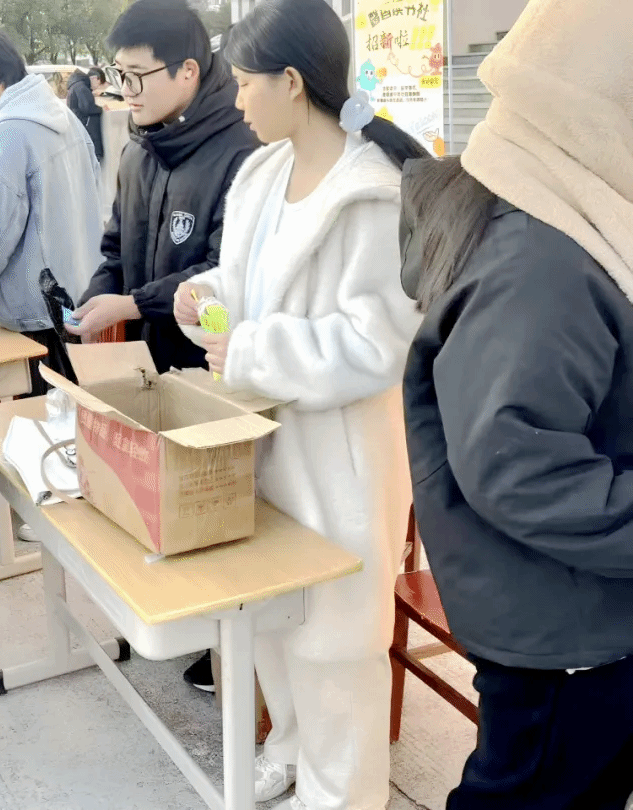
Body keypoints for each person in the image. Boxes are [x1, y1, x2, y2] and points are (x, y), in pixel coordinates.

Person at [172, 1, 425, 807]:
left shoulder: (373, 196)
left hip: (338, 461)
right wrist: (206, 297)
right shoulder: (261, 174)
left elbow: (376, 346)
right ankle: (289, 749)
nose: (237, 100)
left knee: (335, 651)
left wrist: (250, 348)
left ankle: (344, 793)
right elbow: (247, 286)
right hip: (264, 443)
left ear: (291, 81)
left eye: (246, 83)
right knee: (275, 630)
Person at [400, 0, 633, 806]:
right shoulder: (544, 257)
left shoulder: (564, 206)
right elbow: (517, 467)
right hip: (568, 630)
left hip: (568, 610)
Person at [67, 0, 259, 379]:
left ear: (188, 71)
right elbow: (116, 252)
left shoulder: (244, 150)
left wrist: (133, 305)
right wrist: (92, 302)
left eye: (137, 75)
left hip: (209, 372)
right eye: (119, 73)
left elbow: (227, 269)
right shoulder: (137, 150)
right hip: (141, 368)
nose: (126, 90)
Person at [0, 28, 103, 393]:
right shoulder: (64, 117)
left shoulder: (12, 130)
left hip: (35, 308)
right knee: (72, 405)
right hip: (77, 297)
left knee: (42, 412)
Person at [66, 69, 104, 162]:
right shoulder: (82, 87)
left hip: (79, 126)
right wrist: (101, 109)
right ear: (95, 78)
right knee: (93, 158)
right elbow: (88, 108)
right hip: (87, 126)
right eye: (99, 83)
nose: (97, 87)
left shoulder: (76, 85)